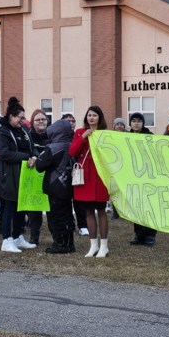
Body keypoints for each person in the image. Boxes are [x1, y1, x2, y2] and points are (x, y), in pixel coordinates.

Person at [0, 97, 38, 253]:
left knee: (21, 206)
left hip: (24, 174)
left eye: (23, 117)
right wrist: (26, 157)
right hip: (8, 176)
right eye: (20, 117)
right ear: (11, 117)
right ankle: (6, 240)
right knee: (9, 207)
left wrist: (34, 156)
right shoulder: (2, 132)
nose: (23, 120)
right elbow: (4, 153)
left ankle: (18, 236)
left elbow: (31, 148)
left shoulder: (24, 131)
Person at [69, 105, 111, 258]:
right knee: (88, 211)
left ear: (100, 118)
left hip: (100, 176)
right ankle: (93, 245)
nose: (91, 118)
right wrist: (83, 137)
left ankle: (104, 246)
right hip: (84, 177)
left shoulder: (105, 134)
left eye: (94, 115)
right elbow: (72, 151)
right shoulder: (79, 132)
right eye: (89, 115)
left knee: (101, 210)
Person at [34, 119, 76, 254]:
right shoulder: (72, 145)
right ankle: (69, 243)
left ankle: (60, 244)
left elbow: (39, 166)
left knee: (55, 216)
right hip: (68, 186)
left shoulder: (52, 148)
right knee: (67, 215)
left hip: (55, 186)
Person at [127, 112, 158, 247]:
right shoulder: (125, 137)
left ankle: (150, 234)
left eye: (139, 121)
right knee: (137, 205)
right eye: (133, 121)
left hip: (147, 176)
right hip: (133, 176)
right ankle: (138, 233)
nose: (136, 123)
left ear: (143, 123)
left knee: (149, 205)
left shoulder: (149, 136)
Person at [61, 113, 87, 242]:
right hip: (62, 173)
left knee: (79, 200)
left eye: (73, 120)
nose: (71, 123)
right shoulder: (58, 136)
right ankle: (69, 223)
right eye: (67, 121)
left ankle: (83, 225)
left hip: (77, 171)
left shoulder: (77, 135)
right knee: (66, 201)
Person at [25, 109, 50, 244]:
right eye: (38, 119)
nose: (41, 122)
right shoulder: (28, 137)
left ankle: (57, 237)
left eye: (43, 119)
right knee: (34, 210)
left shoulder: (51, 135)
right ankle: (34, 237)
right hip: (33, 176)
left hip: (50, 176)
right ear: (32, 122)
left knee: (52, 208)